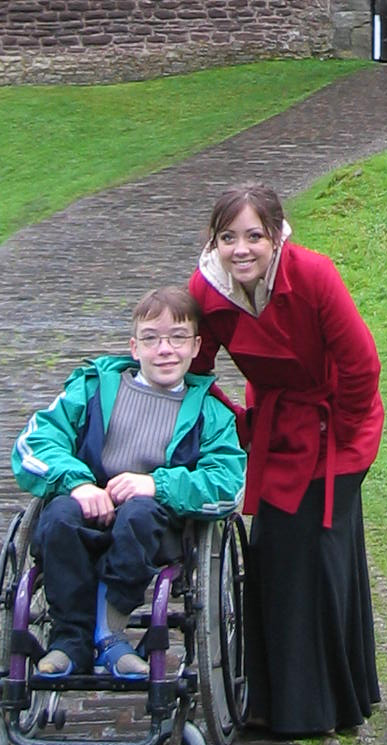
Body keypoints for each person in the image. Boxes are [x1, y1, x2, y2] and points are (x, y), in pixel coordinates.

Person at [190, 183, 382, 736]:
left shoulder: (314, 275)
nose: (241, 249)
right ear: (214, 242)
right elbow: (194, 370)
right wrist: (237, 421)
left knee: (320, 546)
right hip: (278, 427)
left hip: (340, 425)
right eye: (228, 237)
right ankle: (279, 696)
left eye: (254, 235)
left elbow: (361, 364)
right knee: (273, 547)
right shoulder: (208, 291)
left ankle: (323, 705)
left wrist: (339, 436)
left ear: (277, 236)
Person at [12, 284, 245, 678]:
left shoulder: (210, 413)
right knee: (58, 518)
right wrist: (79, 483)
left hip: (156, 520)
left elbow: (227, 482)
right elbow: (34, 443)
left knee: (138, 514)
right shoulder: (92, 389)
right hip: (89, 503)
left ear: (195, 346)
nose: (165, 349)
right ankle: (70, 639)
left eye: (177, 338)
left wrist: (158, 485)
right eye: (151, 339)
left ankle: (110, 633)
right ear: (134, 347)